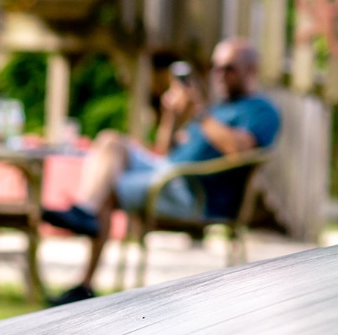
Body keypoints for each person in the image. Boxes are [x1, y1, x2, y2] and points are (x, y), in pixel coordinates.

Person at [41, 37, 280, 305]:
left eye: (228, 68)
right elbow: (164, 151)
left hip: (194, 192)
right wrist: (172, 115)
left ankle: (84, 276)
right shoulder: (217, 110)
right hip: (170, 175)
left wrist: (200, 112)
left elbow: (240, 149)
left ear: (252, 70)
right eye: (216, 67)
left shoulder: (261, 110)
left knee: (107, 186)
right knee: (110, 141)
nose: (219, 75)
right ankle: (85, 217)